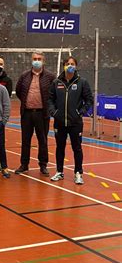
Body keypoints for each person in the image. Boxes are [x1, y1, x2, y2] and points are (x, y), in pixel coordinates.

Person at [48, 56, 93, 184]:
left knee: (77, 148)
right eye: (68, 63)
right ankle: (59, 172)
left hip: (75, 123)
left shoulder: (82, 82)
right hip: (60, 122)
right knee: (59, 148)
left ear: (76, 66)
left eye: (72, 63)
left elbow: (89, 99)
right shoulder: (56, 82)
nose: (70, 65)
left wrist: (80, 112)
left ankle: (78, 173)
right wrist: (54, 112)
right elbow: (50, 99)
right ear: (64, 66)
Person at [15, 52, 56, 176]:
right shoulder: (24, 76)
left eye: (39, 59)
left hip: (42, 114)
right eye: (35, 59)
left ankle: (43, 165)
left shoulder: (50, 77)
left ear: (43, 61)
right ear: (31, 60)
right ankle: (24, 164)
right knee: (25, 140)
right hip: (27, 113)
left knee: (42, 140)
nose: (37, 61)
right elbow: (18, 91)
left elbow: (54, 94)